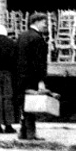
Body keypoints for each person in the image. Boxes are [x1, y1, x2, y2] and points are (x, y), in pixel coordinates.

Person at [15, 12, 49, 140]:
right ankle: (30, 134)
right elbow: (39, 62)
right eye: (43, 22)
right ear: (36, 22)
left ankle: (23, 132)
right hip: (32, 77)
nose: (45, 25)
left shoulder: (22, 36)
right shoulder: (37, 38)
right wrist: (41, 80)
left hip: (21, 76)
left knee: (25, 105)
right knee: (31, 105)